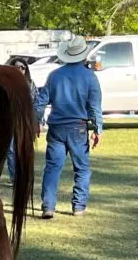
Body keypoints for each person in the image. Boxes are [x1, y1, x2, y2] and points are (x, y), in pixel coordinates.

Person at [34, 36, 103, 219]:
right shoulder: (90, 77)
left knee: (52, 168)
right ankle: (78, 206)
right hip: (78, 128)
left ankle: (48, 206)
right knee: (81, 168)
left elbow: (40, 103)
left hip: (56, 127)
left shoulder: (54, 75)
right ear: (83, 55)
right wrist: (98, 130)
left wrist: (36, 122)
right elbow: (94, 107)